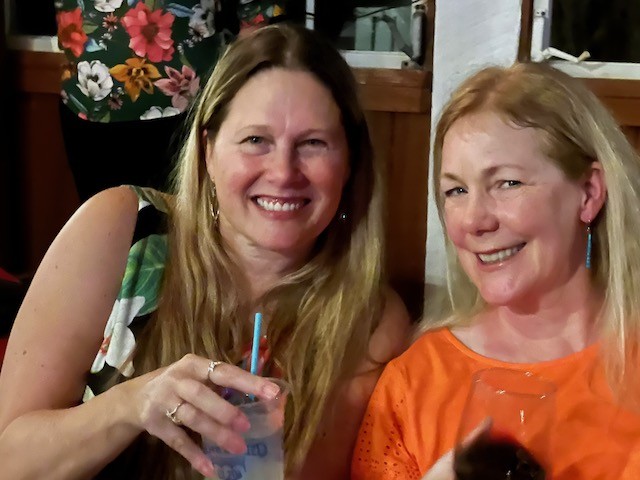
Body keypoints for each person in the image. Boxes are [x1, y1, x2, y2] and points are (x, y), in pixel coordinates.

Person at [0, 24, 411, 479]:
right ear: (208, 150)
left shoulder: (369, 320)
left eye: (313, 143)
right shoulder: (122, 227)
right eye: (256, 140)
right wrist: (131, 405)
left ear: (349, 164)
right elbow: (8, 460)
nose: (283, 172)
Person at [351, 61, 640, 480]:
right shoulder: (416, 383)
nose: (474, 220)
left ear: (589, 192)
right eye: (456, 190)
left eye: (507, 183)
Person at [54, 0, 289, 201]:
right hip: (92, 107)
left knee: (192, 227)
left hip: (195, 106)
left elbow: (256, 19)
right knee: (104, 227)